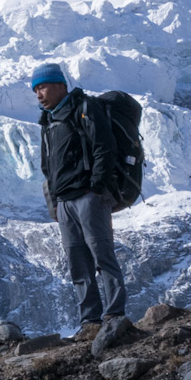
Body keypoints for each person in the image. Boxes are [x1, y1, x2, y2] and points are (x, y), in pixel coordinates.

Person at [32, 61, 129, 337]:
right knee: (77, 262)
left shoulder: (85, 109)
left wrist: (96, 188)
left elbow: (103, 148)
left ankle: (114, 314)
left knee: (102, 256)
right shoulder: (47, 122)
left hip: (88, 197)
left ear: (61, 85)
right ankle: (90, 321)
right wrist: (54, 202)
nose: (39, 94)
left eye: (43, 87)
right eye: (35, 89)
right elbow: (46, 167)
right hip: (64, 202)